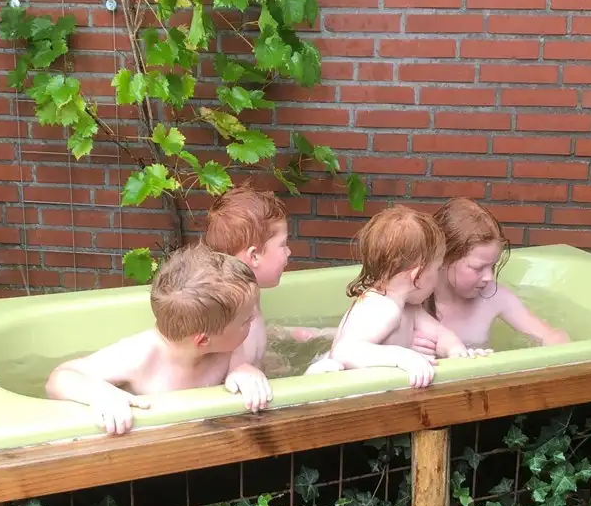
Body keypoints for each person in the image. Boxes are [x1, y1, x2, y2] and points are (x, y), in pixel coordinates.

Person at [45, 244, 271, 434]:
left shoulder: (230, 348)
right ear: (203, 341)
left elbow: (249, 360)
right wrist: (101, 394)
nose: (253, 320)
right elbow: (59, 378)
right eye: (246, 320)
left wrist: (245, 369)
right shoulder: (141, 356)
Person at [310, 205, 488, 388]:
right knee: (330, 366)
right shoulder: (382, 307)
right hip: (340, 383)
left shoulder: (410, 308)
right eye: (437, 269)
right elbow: (344, 352)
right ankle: (313, 374)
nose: (438, 277)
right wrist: (404, 357)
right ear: (417, 276)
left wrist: (457, 352)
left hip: (372, 386)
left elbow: (441, 335)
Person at [202, 185, 331, 372]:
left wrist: (291, 335)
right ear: (254, 256)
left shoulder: (248, 296)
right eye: (283, 245)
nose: (289, 251)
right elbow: (237, 377)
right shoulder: (234, 318)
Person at [419, 198, 568, 352]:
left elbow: (550, 335)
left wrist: (556, 343)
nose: (489, 277)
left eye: (493, 266)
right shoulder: (416, 303)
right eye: (478, 268)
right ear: (442, 259)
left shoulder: (493, 297)